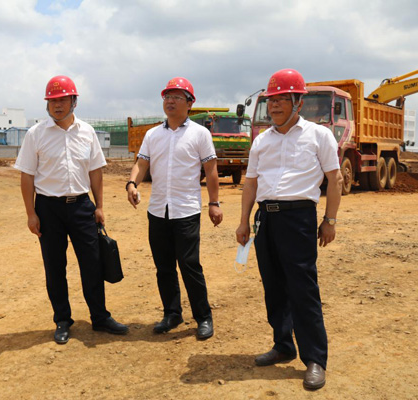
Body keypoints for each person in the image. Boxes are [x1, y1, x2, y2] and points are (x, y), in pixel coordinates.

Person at [235, 69, 343, 391]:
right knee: (273, 285)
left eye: (282, 99)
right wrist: (244, 220)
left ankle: (315, 359)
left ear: (298, 102)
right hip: (266, 219)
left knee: (303, 288)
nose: (275, 106)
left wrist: (330, 220)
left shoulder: (319, 135)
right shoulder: (261, 141)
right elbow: (251, 183)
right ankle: (283, 345)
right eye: (271, 100)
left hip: (299, 219)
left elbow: (334, 179)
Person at [15, 75, 128, 344]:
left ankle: (100, 317)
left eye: (63, 100)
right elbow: (27, 176)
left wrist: (100, 206)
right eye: (52, 100)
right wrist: (31, 213)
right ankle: (62, 320)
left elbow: (95, 171)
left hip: (81, 207)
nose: (57, 105)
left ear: (74, 101)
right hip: (48, 209)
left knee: (92, 263)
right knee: (55, 267)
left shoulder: (87, 132)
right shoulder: (35, 134)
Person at [127, 77, 223, 340]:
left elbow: (211, 170)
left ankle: (203, 317)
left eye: (176, 97)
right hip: (158, 210)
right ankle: (172, 313)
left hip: (186, 210)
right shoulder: (152, 135)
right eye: (167, 96)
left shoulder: (200, 134)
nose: (170, 101)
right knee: (164, 266)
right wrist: (132, 183)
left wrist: (214, 203)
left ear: (189, 103)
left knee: (190, 265)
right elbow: (142, 164)